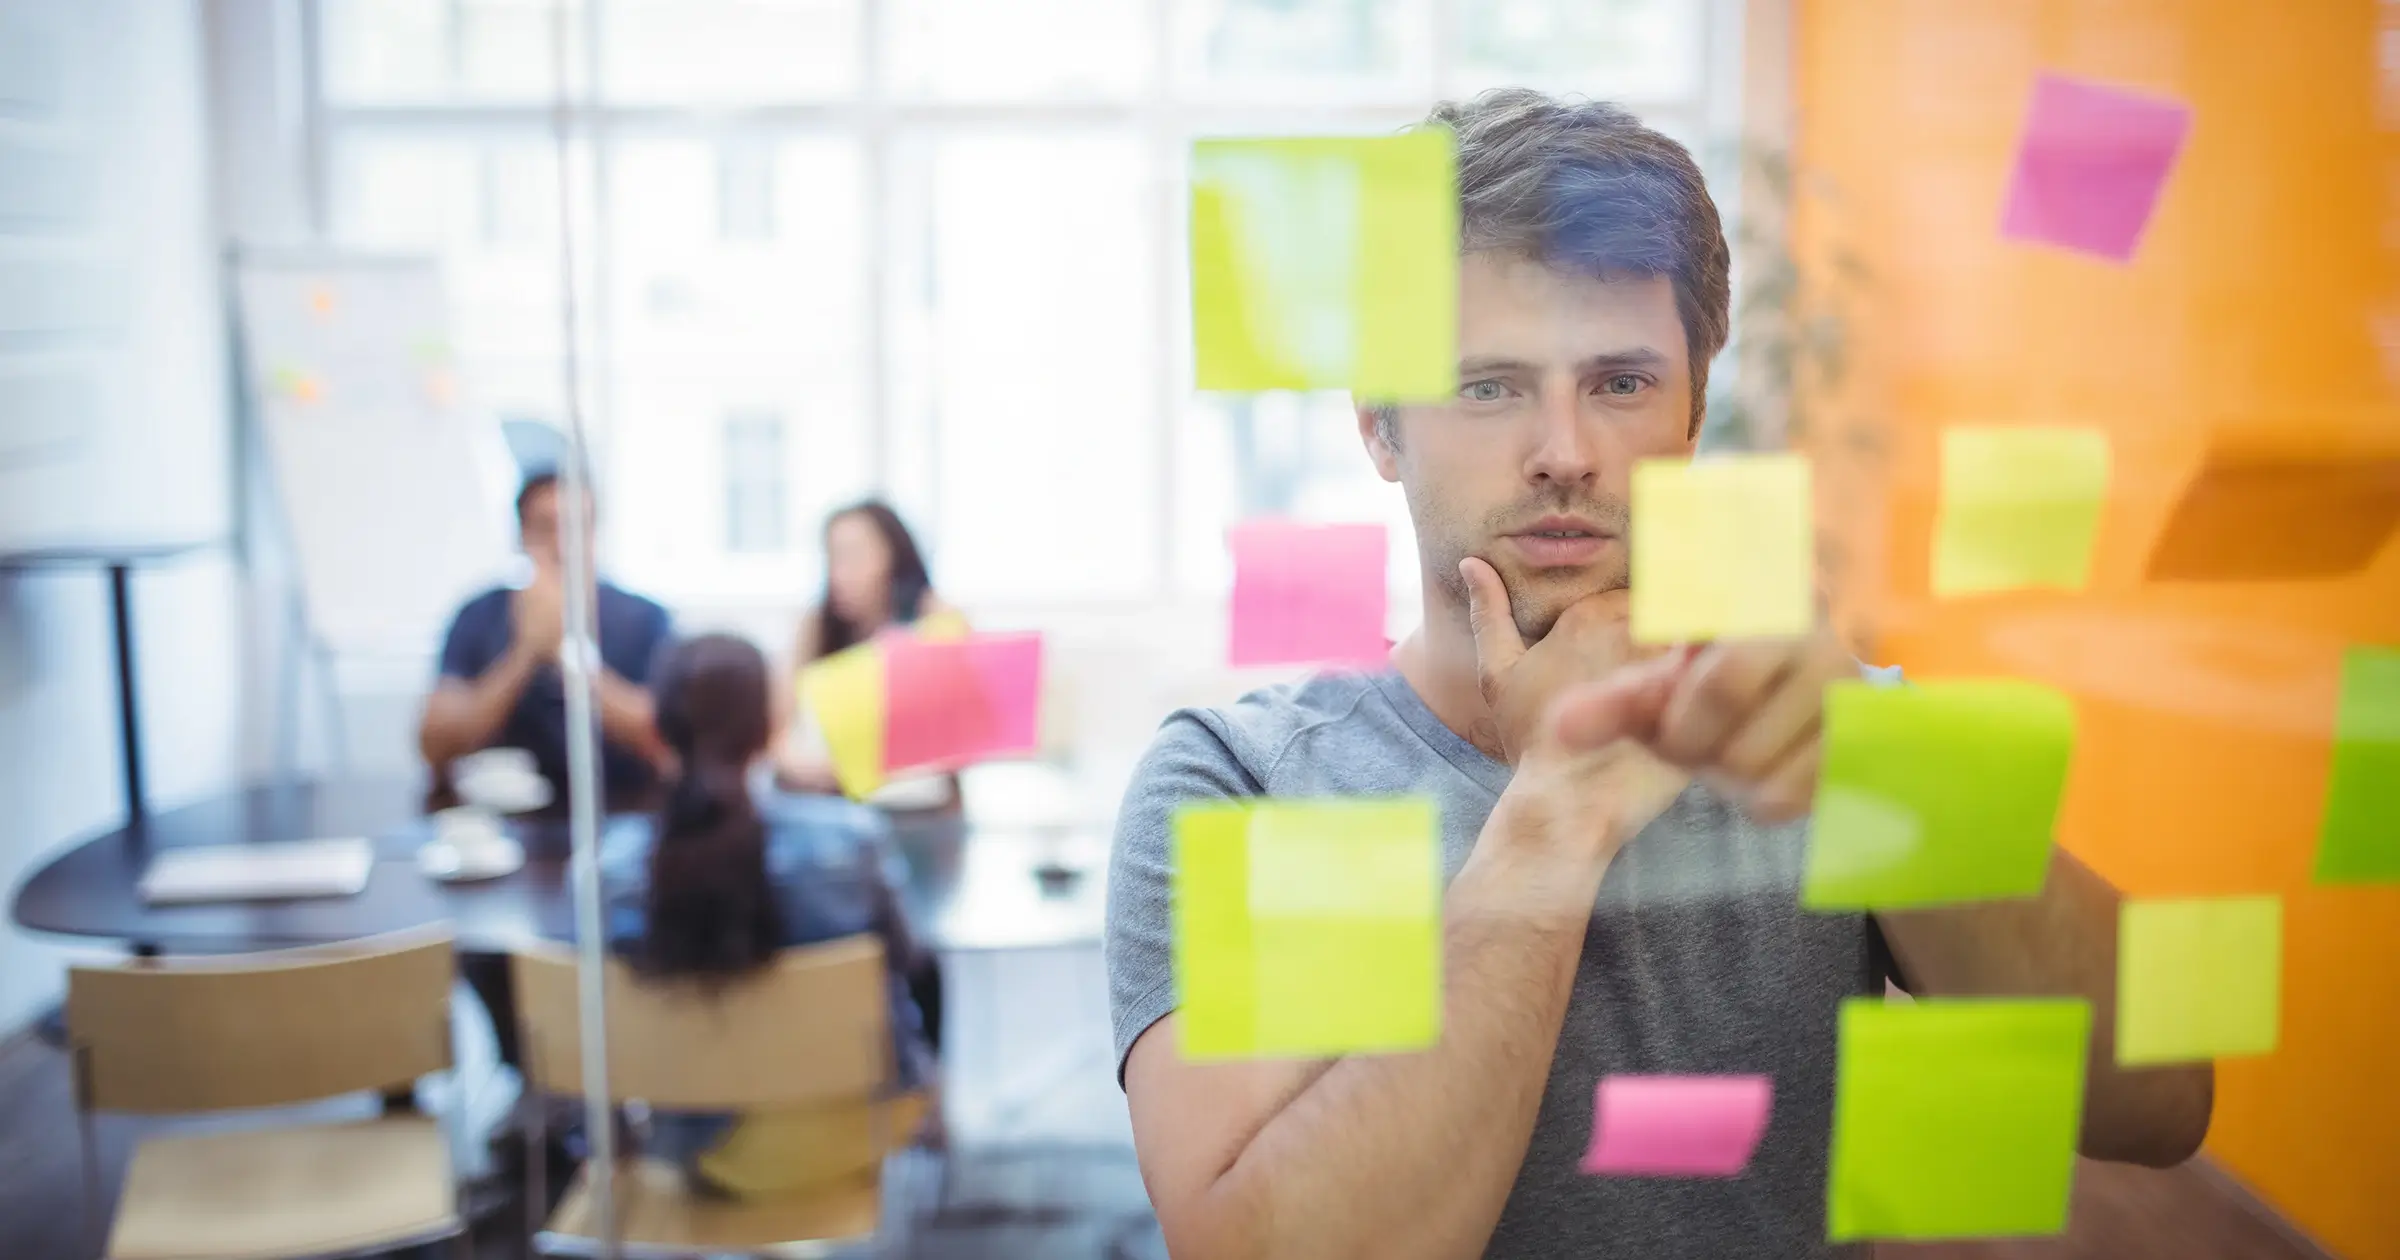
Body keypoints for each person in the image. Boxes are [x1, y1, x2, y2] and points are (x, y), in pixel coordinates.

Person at [1104, 90, 2215, 1260]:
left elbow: (2160, 1102)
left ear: (1690, 413)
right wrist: (1553, 818)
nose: (1567, 452)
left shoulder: (1816, 728)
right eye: (1490, 386)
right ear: (1381, 427)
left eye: (1621, 383)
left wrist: (1868, 753)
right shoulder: (1238, 781)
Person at [599, 633, 939, 1198]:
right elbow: (910, 959)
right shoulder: (849, 844)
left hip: (691, 1149)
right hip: (855, 1131)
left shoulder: (608, 874)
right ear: (768, 729)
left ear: (657, 732)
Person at [418, 469, 674, 802]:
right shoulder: (480, 615)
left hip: (622, 813)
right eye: (546, 528)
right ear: (523, 536)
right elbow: (436, 744)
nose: (562, 546)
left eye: (577, 528)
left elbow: (666, 743)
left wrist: (569, 656)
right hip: (501, 827)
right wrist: (525, 653)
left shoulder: (644, 618)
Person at [776, 499, 960, 797]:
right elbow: (778, 735)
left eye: (853, 556)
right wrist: (801, 765)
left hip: (916, 804)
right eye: (833, 558)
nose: (840, 574)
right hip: (829, 797)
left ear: (893, 557)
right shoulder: (815, 627)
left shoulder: (934, 620)